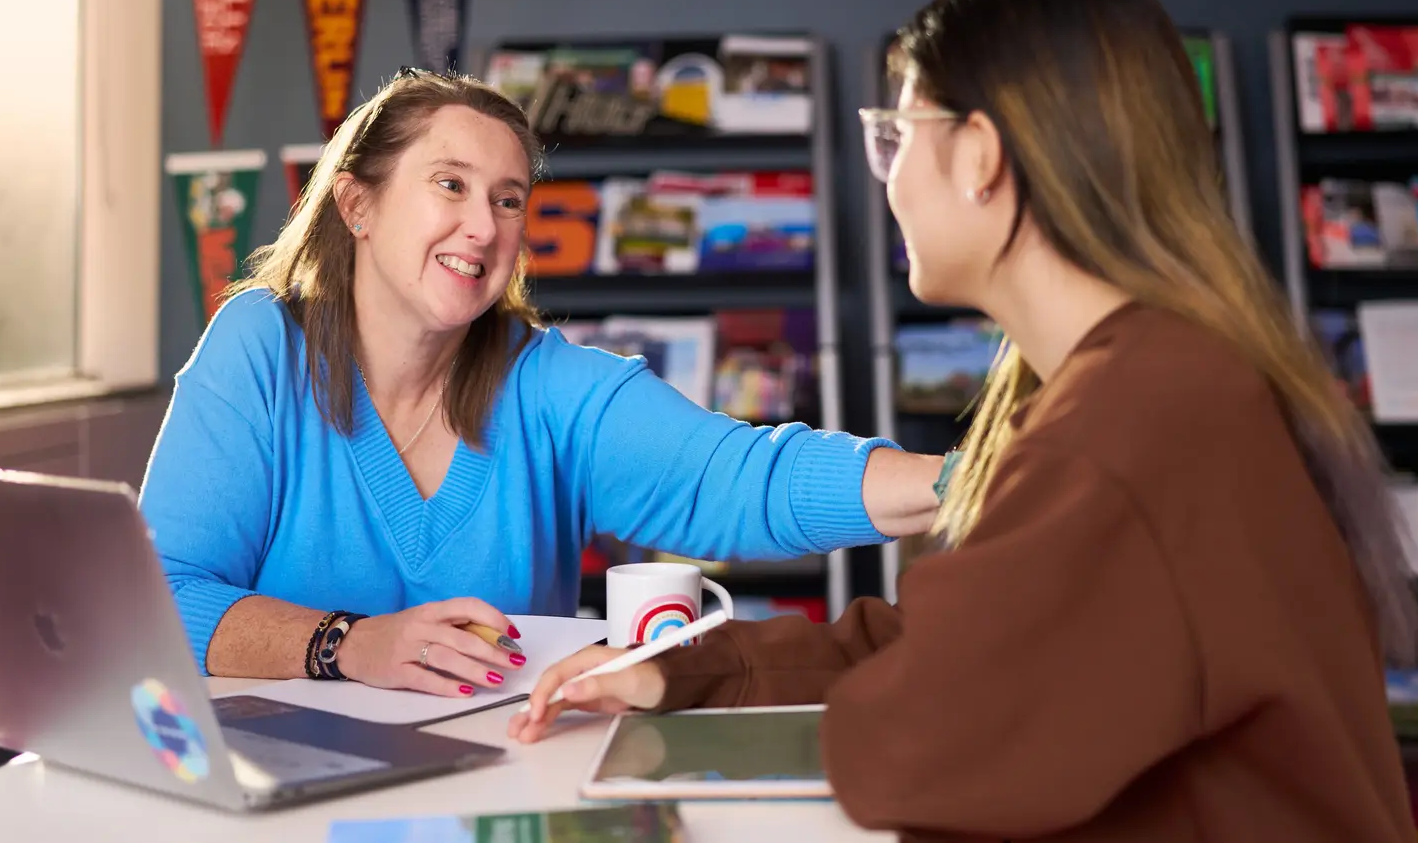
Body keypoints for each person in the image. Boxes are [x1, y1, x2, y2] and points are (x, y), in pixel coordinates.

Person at [512, 0, 1418, 843]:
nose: (891, 178)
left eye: (898, 137)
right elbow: (943, 653)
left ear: (980, 154)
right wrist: (680, 674)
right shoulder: (1157, 379)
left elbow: (914, 743)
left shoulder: (1126, 425)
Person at [137, 67, 943, 699]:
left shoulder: (548, 385)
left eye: (509, 199)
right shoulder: (261, 348)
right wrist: (350, 644)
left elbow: (744, 479)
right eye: (450, 184)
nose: (485, 226)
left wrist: (975, 479)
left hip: (504, 782)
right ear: (357, 204)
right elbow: (157, 600)